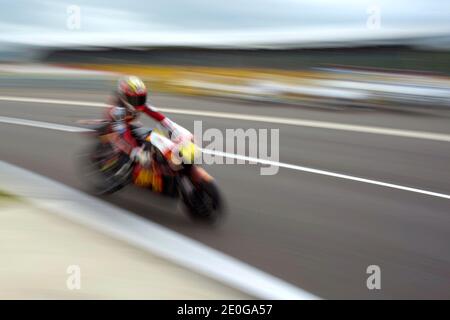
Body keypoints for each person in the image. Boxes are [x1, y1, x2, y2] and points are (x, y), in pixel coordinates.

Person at [105, 75, 192, 168]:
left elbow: (161, 118)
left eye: (141, 98)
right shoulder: (118, 110)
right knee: (127, 152)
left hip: (127, 124)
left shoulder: (141, 104)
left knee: (144, 133)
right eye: (134, 99)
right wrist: (135, 150)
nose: (139, 102)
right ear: (124, 97)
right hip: (114, 129)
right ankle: (118, 168)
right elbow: (123, 133)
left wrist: (177, 130)